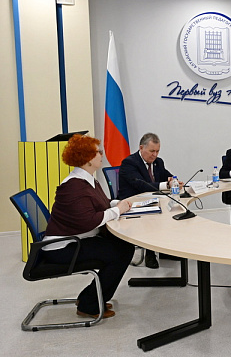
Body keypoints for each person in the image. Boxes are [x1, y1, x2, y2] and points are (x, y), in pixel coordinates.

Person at [42, 134, 134, 319]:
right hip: (62, 248)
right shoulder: (73, 186)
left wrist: (117, 204)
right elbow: (89, 220)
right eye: (97, 152)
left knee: (122, 246)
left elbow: (101, 203)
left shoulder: (87, 180)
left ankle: (90, 297)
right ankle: (89, 305)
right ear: (86, 158)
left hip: (76, 239)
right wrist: (118, 210)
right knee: (121, 253)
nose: (101, 155)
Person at [118, 133, 182, 268]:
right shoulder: (129, 163)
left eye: (157, 151)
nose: (155, 155)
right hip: (132, 204)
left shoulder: (158, 162)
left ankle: (165, 249)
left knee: (172, 210)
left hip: (152, 199)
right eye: (152, 151)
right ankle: (150, 253)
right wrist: (167, 185)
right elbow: (141, 185)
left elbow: (167, 176)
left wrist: (174, 181)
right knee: (154, 215)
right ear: (141, 148)